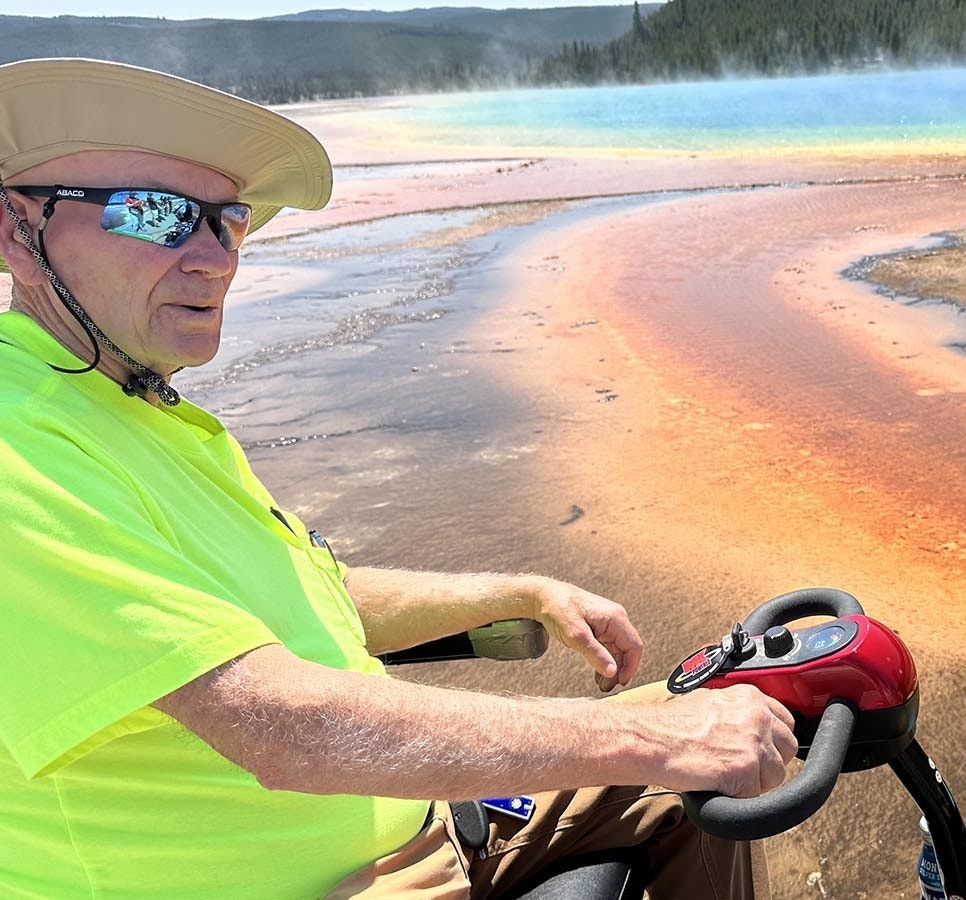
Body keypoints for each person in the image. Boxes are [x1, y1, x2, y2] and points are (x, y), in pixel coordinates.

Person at [0, 58, 798, 900]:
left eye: (224, 220)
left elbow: (311, 600)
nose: (213, 258)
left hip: (422, 820)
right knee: (674, 747)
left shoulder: (137, 404)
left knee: (713, 734)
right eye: (157, 214)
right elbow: (276, 725)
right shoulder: (21, 445)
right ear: (18, 229)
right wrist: (658, 744)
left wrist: (521, 592)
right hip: (339, 880)